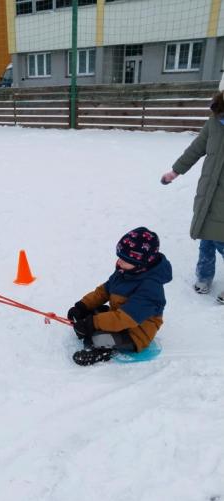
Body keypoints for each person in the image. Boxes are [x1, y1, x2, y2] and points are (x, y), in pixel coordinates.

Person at [67, 227, 172, 366]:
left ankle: (101, 352)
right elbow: (104, 291)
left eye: (125, 259)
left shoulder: (151, 289)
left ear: (141, 263)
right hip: (119, 316)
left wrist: (92, 324)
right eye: (120, 257)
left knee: (97, 338)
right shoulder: (125, 271)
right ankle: (92, 328)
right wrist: (82, 305)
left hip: (135, 333)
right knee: (91, 314)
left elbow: (124, 319)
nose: (119, 262)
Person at [161, 84, 224, 302]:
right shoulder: (214, 122)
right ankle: (204, 276)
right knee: (206, 238)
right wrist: (175, 171)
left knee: (221, 241)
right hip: (208, 192)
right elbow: (196, 148)